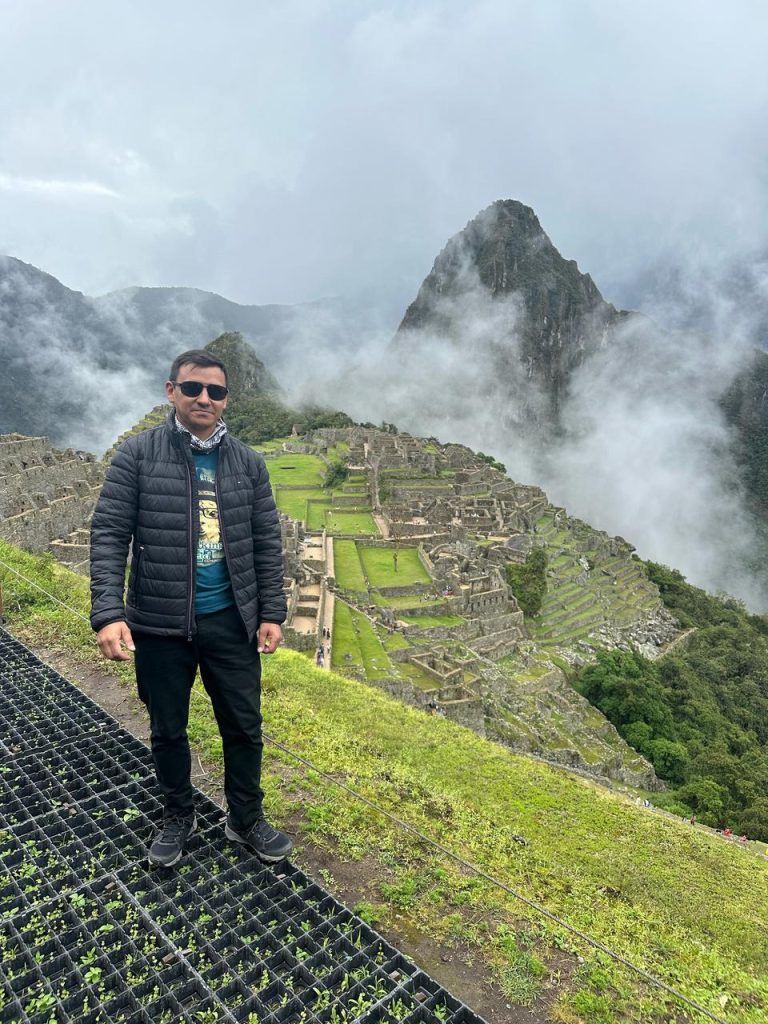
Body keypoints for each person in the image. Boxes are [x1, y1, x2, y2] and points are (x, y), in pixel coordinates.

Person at [90, 349, 292, 869]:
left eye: (216, 391)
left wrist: (272, 610)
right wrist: (108, 612)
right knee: (167, 727)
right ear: (171, 390)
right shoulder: (138, 455)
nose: (205, 398)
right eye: (194, 388)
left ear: (226, 399)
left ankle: (245, 818)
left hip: (231, 619)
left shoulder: (247, 463)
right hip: (159, 621)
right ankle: (178, 814)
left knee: (244, 726)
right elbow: (110, 534)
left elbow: (266, 541)